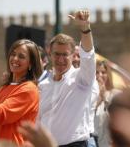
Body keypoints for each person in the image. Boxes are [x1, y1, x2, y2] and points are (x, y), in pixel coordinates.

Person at [38, 10, 96, 147]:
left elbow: (88, 55)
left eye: (65, 54)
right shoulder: (43, 85)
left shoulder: (81, 79)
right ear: (50, 54)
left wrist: (85, 29)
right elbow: (38, 120)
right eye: (57, 54)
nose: (60, 59)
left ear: (73, 55)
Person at [94, 60, 120, 147]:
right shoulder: (87, 96)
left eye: (103, 72)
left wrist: (104, 99)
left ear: (108, 75)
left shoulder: (115, 94)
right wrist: (98, 100)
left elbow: (116, 118)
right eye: (96, 72)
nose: (99, 75)